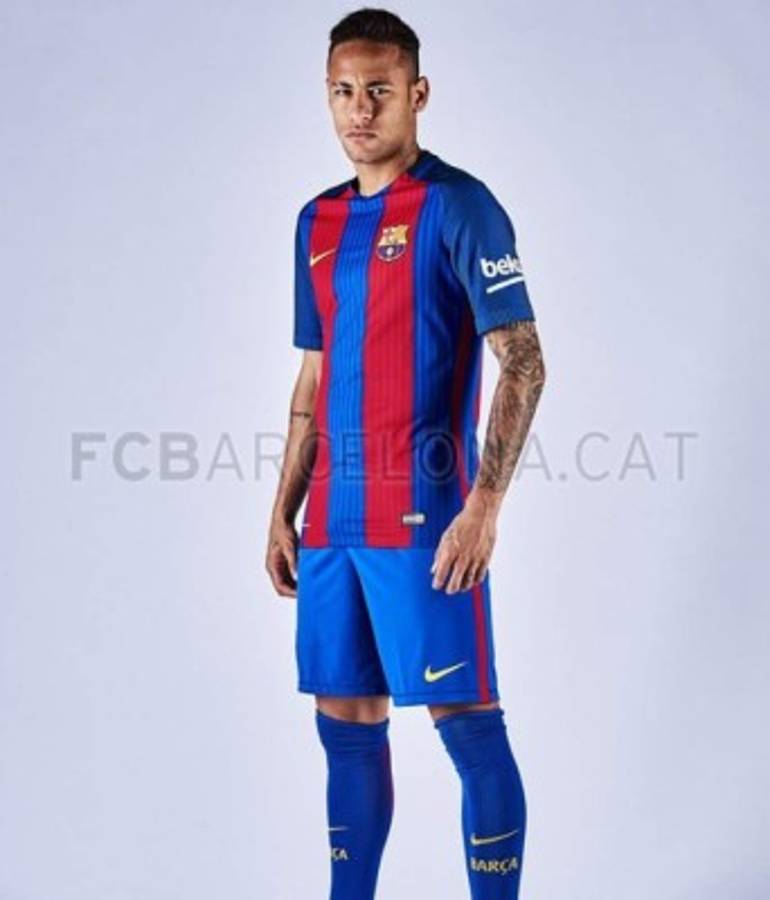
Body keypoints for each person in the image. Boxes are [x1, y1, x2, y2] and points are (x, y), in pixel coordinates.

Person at [266, 8, 546, 899]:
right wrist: (282, 510)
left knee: (471, 732)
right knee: (345, 731)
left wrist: (484, 507)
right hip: (332, 527)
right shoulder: (315, 220)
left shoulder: (460, 206)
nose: (360, 109)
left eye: (379, 91)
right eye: (343, 91)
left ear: (417, 94)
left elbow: (525, 362)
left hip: (425, 524)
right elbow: (312, 379)